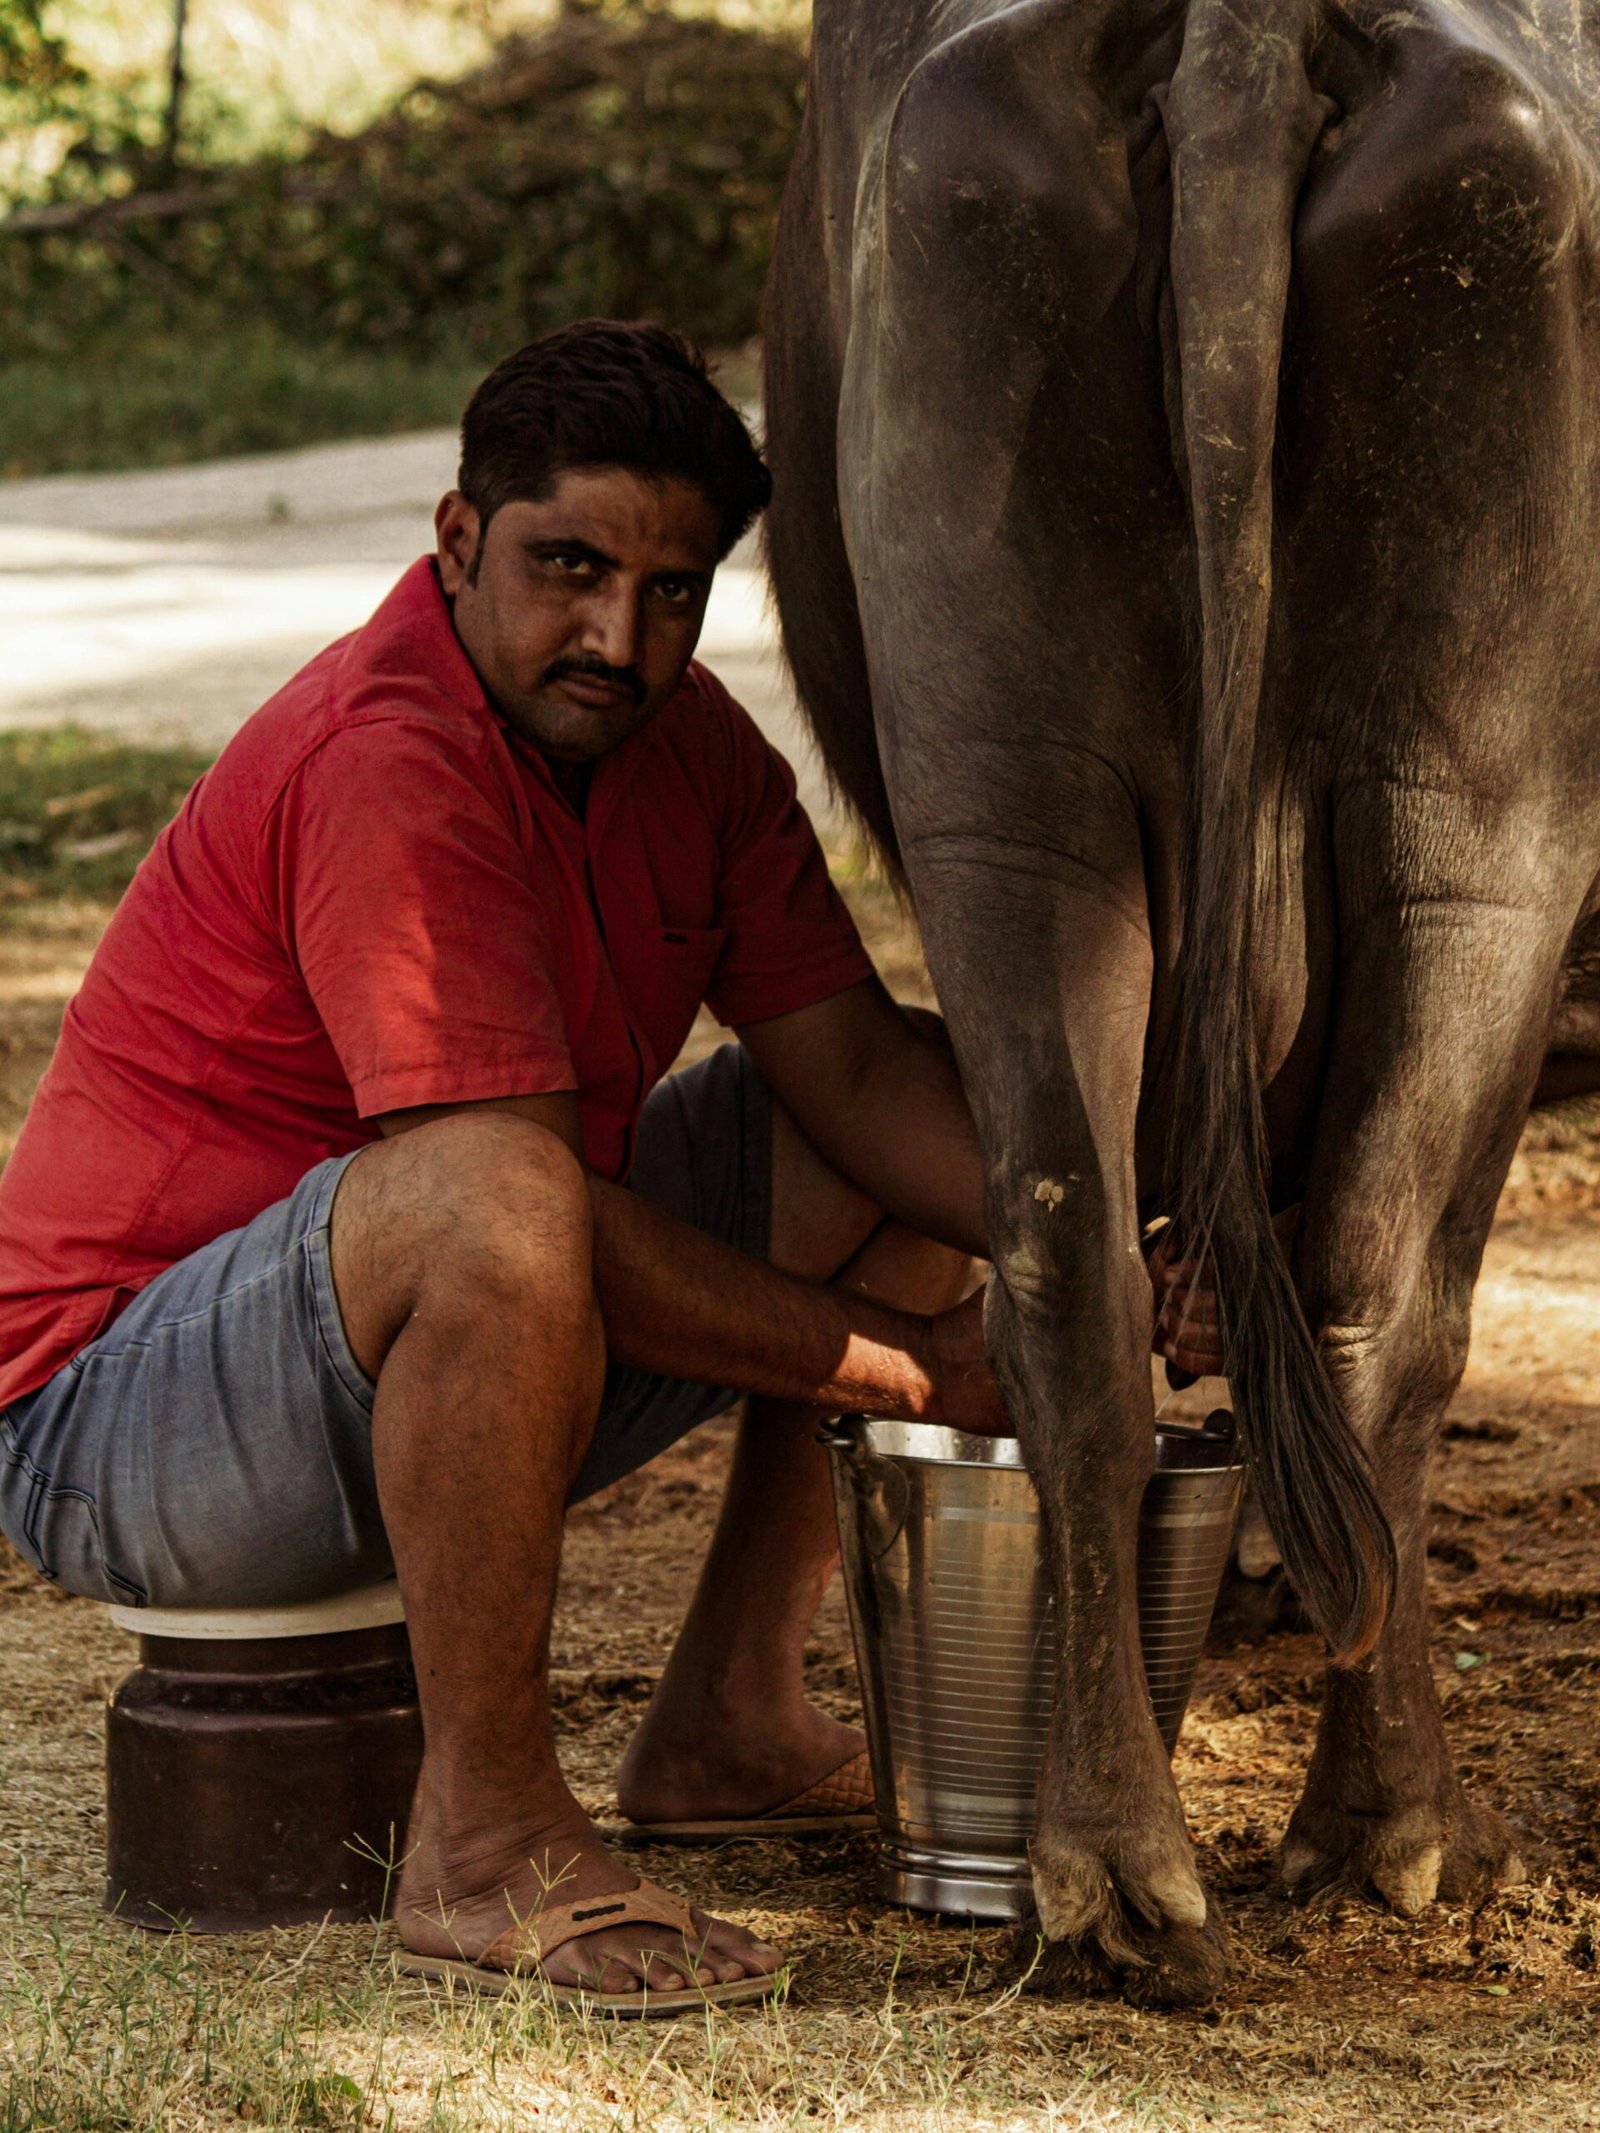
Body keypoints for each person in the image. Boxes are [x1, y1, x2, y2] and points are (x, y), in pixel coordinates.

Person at [0, 321, 1220, 2013]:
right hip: (120, 1422)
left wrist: (1118, 1266)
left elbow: (859, 1079)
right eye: (568, 567)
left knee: (916, 1103)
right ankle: (484, 1834)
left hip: (406, 1341)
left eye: (672, 589)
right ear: (454, 539)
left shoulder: (694, 749)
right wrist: (925, 1367)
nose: (618, 633)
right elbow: (519, 1218)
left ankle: (731, 1712)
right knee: (493, 1199)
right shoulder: (389, 753)